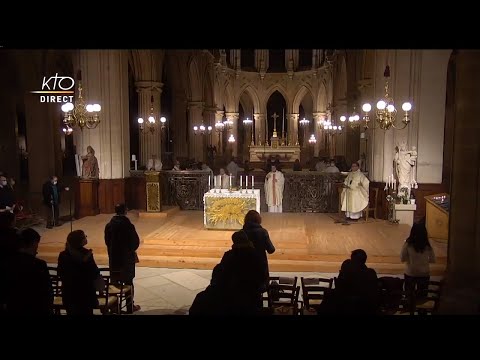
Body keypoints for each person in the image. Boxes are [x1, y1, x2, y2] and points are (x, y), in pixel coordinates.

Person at [189, 231, 265, 315]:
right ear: (247, 240)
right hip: (249, 295)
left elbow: (220, 275)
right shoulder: (256, 255)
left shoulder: (229, 255)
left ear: (234, 242)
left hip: (231, 295)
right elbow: (262, 276)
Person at [4, 228, 53, 315]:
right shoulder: (38, 265)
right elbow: (47, 293)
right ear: (33, 243)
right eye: (37, 244)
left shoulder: (7, 262)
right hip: (35, 309)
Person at [57, 230, 105, 315]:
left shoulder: (63, 255)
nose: (86, 238)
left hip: (69, 293)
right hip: (85, 294)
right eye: (84, 236)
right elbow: (94, 273)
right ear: (80, 241)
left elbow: (60, 272)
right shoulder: (86, 254)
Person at [104, 204, 141, 313]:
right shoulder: (128, 226)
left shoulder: (109, 225)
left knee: (114, 281)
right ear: (125, 211)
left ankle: (114, 306)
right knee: (128, 282)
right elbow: (135, 243)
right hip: (126, 259)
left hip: (114, 258)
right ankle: (130, 306)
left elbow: (107, 242)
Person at [242, 210, 275, 292]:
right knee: (259, 289)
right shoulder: (263, 232)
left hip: (245, 266)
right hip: (259, 266)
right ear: (258, 220)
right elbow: (271, 250)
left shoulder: (242, 233)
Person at [400, 223, 435, 299]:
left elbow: (402, 258)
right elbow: (433, 260)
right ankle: (421, 307)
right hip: (424, 273)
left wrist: (411, 260)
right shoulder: (427, 245)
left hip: (411, 272)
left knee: (409, 294)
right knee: (422, 295)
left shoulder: (408, 244)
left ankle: (409, 306)